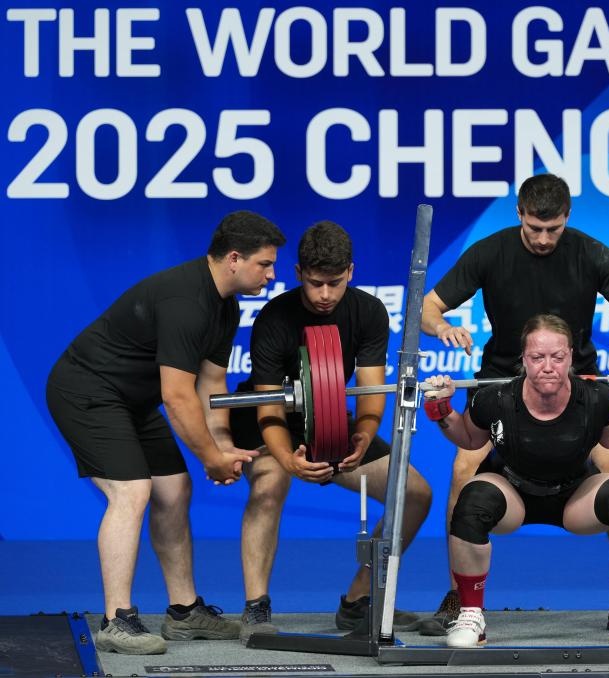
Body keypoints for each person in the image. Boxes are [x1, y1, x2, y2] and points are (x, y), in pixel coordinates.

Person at [420, 173, 609, 634]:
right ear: (520, 215)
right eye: (535, 228)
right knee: (462, 474)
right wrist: (442, 327)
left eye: (554, 228)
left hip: (577, 386)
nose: (544, 238)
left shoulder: (591, 253)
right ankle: (459, 597)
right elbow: (428, 307)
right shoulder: (489, 252)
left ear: (567, 217)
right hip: (501, 385)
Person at [45, 211, 286, 655]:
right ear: (234, 258)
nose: (272, 275)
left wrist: (222, 445)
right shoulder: (186, 301)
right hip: (86, 391)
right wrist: (211, 459)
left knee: (174, 490)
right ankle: (117, 621)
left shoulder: (225, 305)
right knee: (131, 491)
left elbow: (210, 384)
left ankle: (184, 612)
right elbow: (177, 397)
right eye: (265, 264)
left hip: (133, 401)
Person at [231, 221, 433, 645]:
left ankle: (359, 599)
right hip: (268, 421)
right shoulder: (274, 317)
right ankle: (256, 607)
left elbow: (371, 389)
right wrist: (288, 462)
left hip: (327, 416)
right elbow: (268, 406)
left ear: (351, 272)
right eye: (315, 283)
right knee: (269, 487)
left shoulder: (369, 312)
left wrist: (364, 434)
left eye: (335, 283)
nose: (325, 294)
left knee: (414, 493)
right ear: (299, 272)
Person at [422, 314, 609, 647]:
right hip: (512, 495)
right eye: (537, 357)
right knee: (470, 502)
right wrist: (441, 410)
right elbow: (469, 439)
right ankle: (471, 613)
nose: (547, 367)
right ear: (523, 358)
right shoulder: (496, 399)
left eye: (557, 357)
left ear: (571, 357)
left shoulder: (596, 398)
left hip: (575, 498)